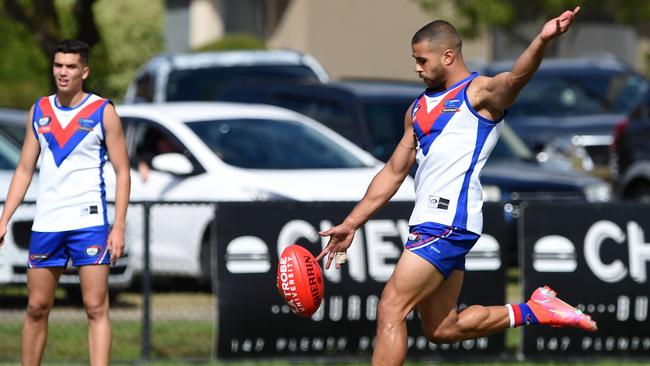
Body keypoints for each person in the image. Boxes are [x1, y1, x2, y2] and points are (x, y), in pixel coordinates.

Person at [316, 7, 595, 366]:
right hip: (433, 220)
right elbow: (393, 172)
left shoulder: (477, 93)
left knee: (390, 308)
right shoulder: (417, 109)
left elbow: (514, 79)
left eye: (422, 60)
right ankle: (535, 310)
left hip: (447, 219)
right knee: (442, 328)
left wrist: (541, 40)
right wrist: (352, 223)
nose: (416, 67)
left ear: (448, 56)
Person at [0, 39, 131, 366]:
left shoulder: (103, 111)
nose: (63, 72)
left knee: (95, 307)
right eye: (58, 65)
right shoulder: (39, 111)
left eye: (71, 66)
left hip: (89, 224)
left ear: (84, 71)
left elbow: (123, 171)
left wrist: (118, 227)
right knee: (36, 307)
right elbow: (24, 169)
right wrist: (3, 218)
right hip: (47, 223)